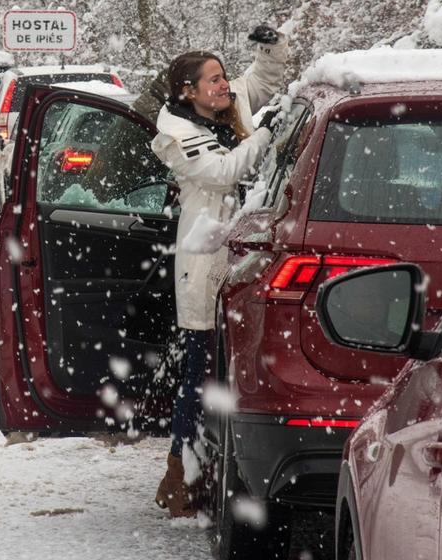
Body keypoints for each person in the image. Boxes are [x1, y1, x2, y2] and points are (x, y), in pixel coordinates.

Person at [148, 27, 289, 518]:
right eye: (213, 79)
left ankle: (212, 472)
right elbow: (223, 173)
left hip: (241, 258)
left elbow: (263, 79)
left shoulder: (230, 106)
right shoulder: (177, 136)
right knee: (200, 373)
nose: (224, 84)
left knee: (227, 373)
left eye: (224, 75)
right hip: (204, 265)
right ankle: (180, 478)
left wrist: (271, 46)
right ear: (188, 90)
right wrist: (267, 132)